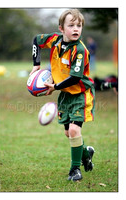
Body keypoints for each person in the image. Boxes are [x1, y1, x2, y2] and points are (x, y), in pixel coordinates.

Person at [30, 9, 95, 181]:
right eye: (71, 25)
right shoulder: (55, 40)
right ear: (61, 28)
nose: (76, 29)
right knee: (69, 133)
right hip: (65, 94)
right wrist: (36, 65)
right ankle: (86, 153)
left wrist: (55, 86)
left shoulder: (80, 50)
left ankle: (75, 170)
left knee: (74, 130)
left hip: (80, 93)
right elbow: (36, 40)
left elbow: (75, 77)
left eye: (79, 26)